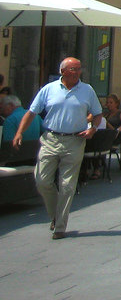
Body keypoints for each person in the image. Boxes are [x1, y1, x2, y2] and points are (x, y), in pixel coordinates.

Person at [13, 57, 102, 239]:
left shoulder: (87, 90)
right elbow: (32, 112)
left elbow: (98, 113)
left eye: (78, 69)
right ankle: (55, 215)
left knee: (67, 186)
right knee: (42, 181)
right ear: (62, 71)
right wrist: (19, 132)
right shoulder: (49, 89)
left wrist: (92, 129)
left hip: (75, 140)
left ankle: (60, 227)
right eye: (72, 69)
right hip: (51, 139)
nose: (77, 72)